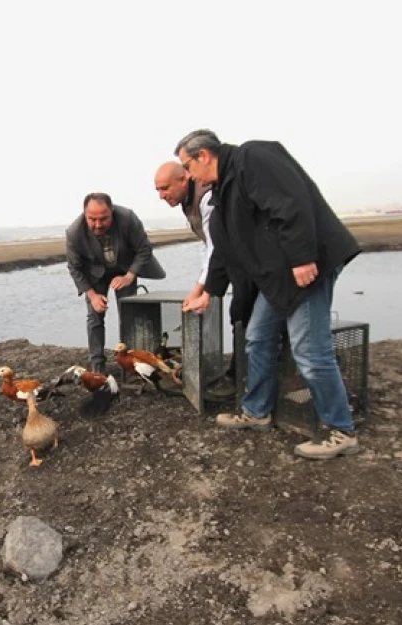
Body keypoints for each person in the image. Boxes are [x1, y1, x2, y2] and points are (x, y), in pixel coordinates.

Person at [177, 129, 362, 460]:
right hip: (278, 277)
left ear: (203, 156)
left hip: (305, 267)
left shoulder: (253, 158)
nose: (188, 176)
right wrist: (209, 293)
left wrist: (303, 257)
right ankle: (257, 411)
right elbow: (223, 249)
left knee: (310, 349)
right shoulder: (222, 192)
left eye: (187, 167)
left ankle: (341, 430)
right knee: (257, 337)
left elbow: (291, 205)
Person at [154, 160, 251, 397]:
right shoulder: (189, 203)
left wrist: (201, 290)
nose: (161, 195)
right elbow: (205, 244)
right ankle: (241, 375)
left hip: (247, 264)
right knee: (240, 314)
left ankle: (242, 378)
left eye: (165, 188)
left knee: (243, 315)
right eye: (157, 189)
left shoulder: (207, 199)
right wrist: (200, 286)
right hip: (232, 264)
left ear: (183, 179)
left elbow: (215, 247)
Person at [66, 192, 166, 374]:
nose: (98, 224)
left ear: (112, 211)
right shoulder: (74, 232)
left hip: (125, 268)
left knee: (129, 315)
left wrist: (129, 276)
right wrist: (93, 295)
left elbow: (144, 250)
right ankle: (97, 368)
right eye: (92, 219)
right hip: (95, 274)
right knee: (94, 317)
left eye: (103, 219)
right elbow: (75, 268)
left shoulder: (127, 218)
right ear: (84, 215)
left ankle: (133, 365)